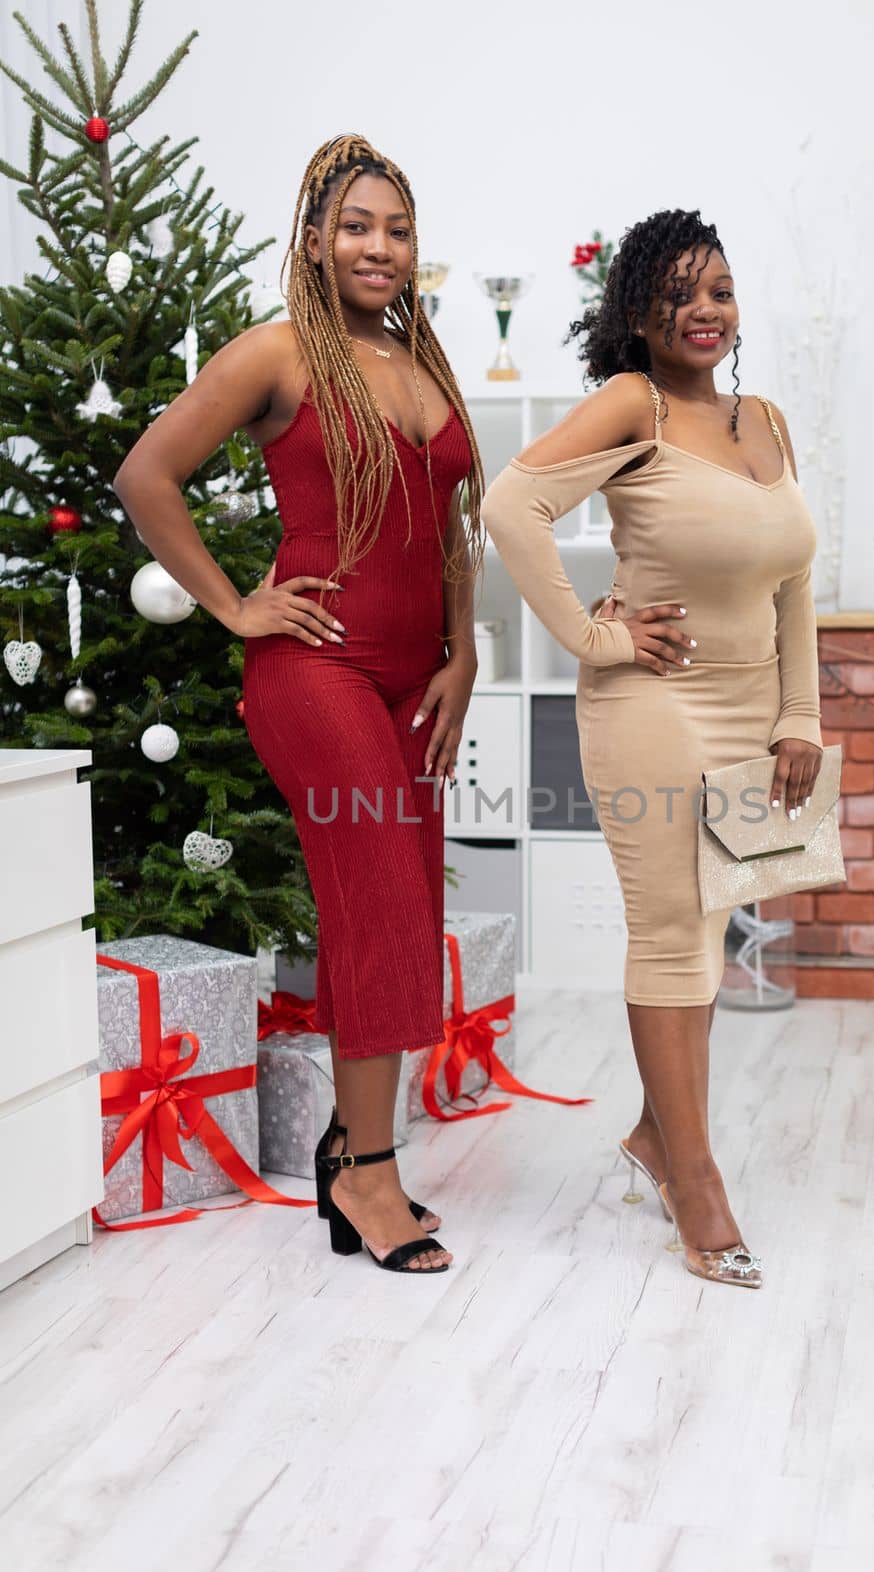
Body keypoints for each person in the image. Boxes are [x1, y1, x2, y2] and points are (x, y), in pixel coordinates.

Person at [114, 135, 486, 1275]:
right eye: (358, 227)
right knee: (376, 890)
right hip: (314, 670)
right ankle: (367, 1174)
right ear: (315, 241)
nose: (379, 247)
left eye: (398, 229)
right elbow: (144, 475)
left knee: (405, 898)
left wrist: (462, 649)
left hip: (412, 672)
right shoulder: (279, 353)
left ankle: (347, 1146)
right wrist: (233, 608)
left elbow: (451, 520)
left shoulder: (423, 356)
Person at [481, 209, 824, 1289]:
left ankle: (650, 1140)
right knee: (672, 934)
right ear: (637, 313)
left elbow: (794, 583)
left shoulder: (761, 419)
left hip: (749, 709)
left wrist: (798, 716)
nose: (704, 311)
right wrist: (596, 637)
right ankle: (697, 1181)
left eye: (718, 289)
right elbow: (511, 503)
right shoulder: (635, 405)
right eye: (677, 294)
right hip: (653, 704)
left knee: (711, 930)